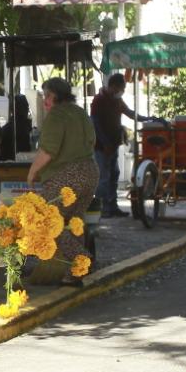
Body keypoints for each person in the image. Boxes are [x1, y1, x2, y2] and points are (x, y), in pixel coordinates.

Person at [29, 77, 97, 281]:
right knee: (73, 222)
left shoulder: (57, 115)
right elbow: (92, 141)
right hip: (90, 171)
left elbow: (48, 150)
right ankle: (76, 272)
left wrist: (32, 172)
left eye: (46, 96)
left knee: (46, 220)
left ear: (54, 95)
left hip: (68, 175)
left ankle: (82, 258)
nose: (44, 102)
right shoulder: (80, 112)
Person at [90, 73, 139, 218]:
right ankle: (100, 209)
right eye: (121, 88)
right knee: (103, 178)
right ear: (113, 86)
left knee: (114, 176)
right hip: (101, 147)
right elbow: (95, 124)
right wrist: (104, 143)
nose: (121, 91)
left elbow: (129, 113)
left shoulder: (117, 101)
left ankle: (112, 207)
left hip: (114, 145)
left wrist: (147, 119)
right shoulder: (99, 100)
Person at [0, 92, 32, 161]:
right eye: (21, 107)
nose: (25, 110)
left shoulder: (6, 128)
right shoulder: (23, 127)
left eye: (25, 107)